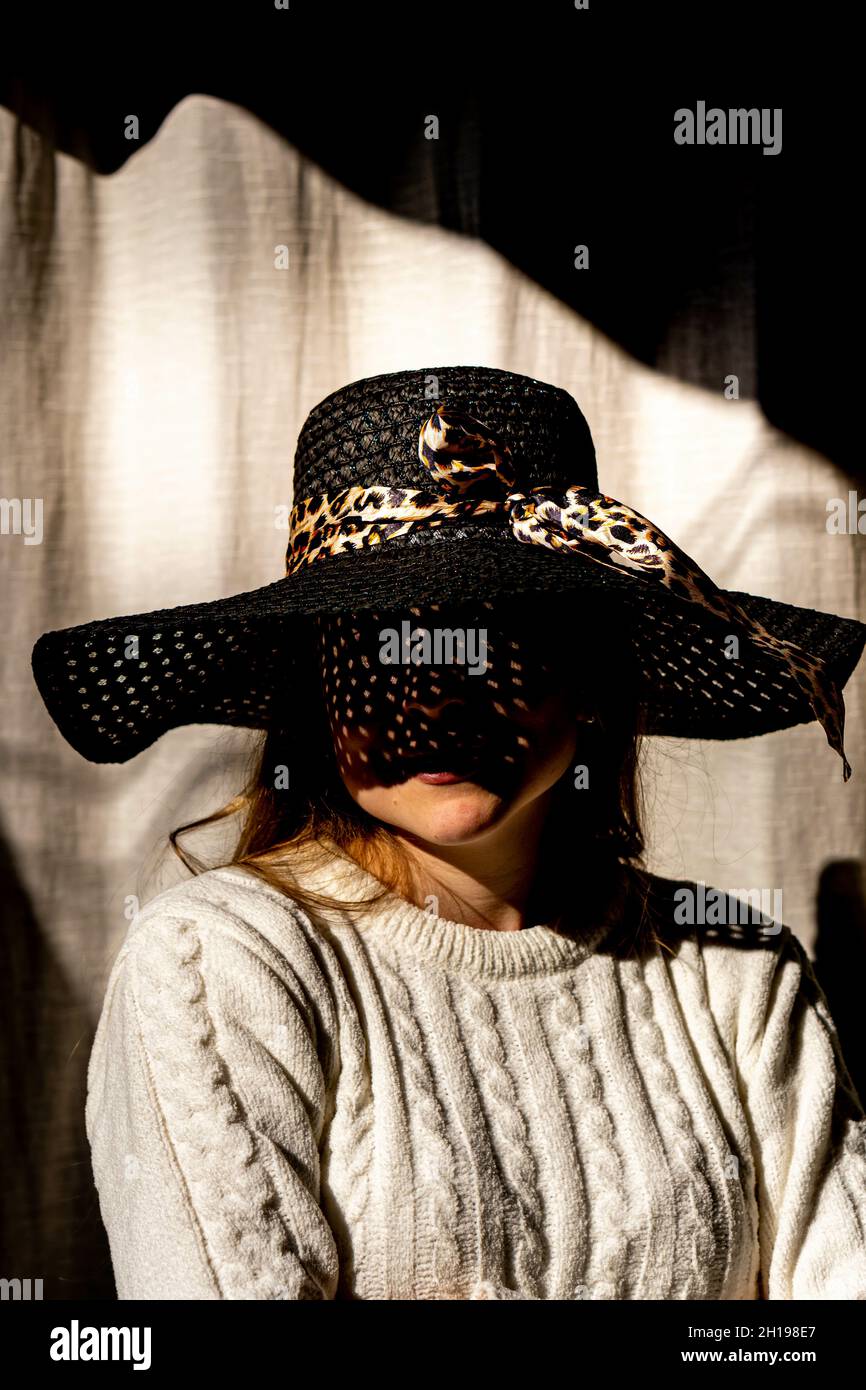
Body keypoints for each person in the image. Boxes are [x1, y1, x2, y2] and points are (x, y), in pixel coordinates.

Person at [32, 365, 866, 1300]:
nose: (437, 694)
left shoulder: (738, 965)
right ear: (313, 694)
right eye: (382, 646)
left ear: (588, 674)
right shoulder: (221, 961)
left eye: (498, 633)